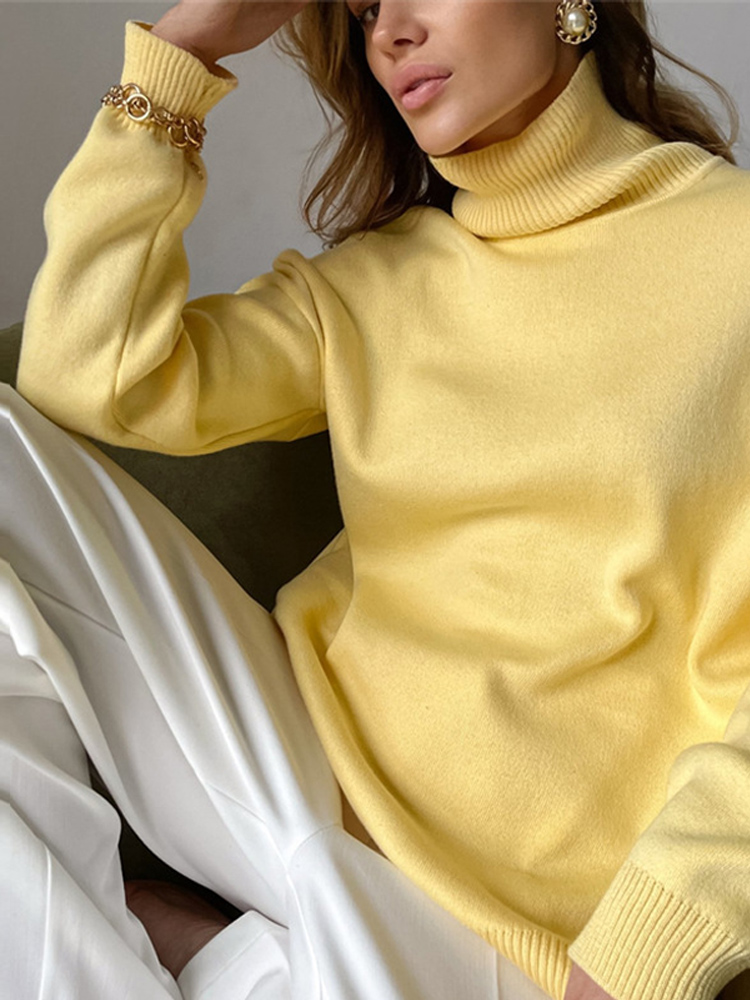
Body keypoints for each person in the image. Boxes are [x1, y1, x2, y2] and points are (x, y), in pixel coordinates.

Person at [2, 0, 750, 998]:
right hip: (284, 763)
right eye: (363, 11)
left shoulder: (732, 254)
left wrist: (643, 957)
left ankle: (220, 957)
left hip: (491, 930)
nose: (389, 31)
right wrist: (181, 55)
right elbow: (84, 374)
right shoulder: (372, 286)